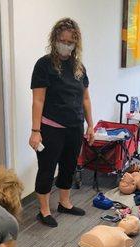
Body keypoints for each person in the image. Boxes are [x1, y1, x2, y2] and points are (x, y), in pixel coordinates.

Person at [30, 18, 95, 228]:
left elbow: (85, 98)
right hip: (51, 127)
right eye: (62, 40)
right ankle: (44, 210)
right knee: (47, 169)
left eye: (70, 41)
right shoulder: (44, 65)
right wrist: (35, 130)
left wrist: (91, 125)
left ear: (76, 43)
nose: (66, 45)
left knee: (69, 167)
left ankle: (65, 203)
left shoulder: (79, 67)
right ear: (54, 39)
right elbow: (38, 100)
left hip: (75, 127)